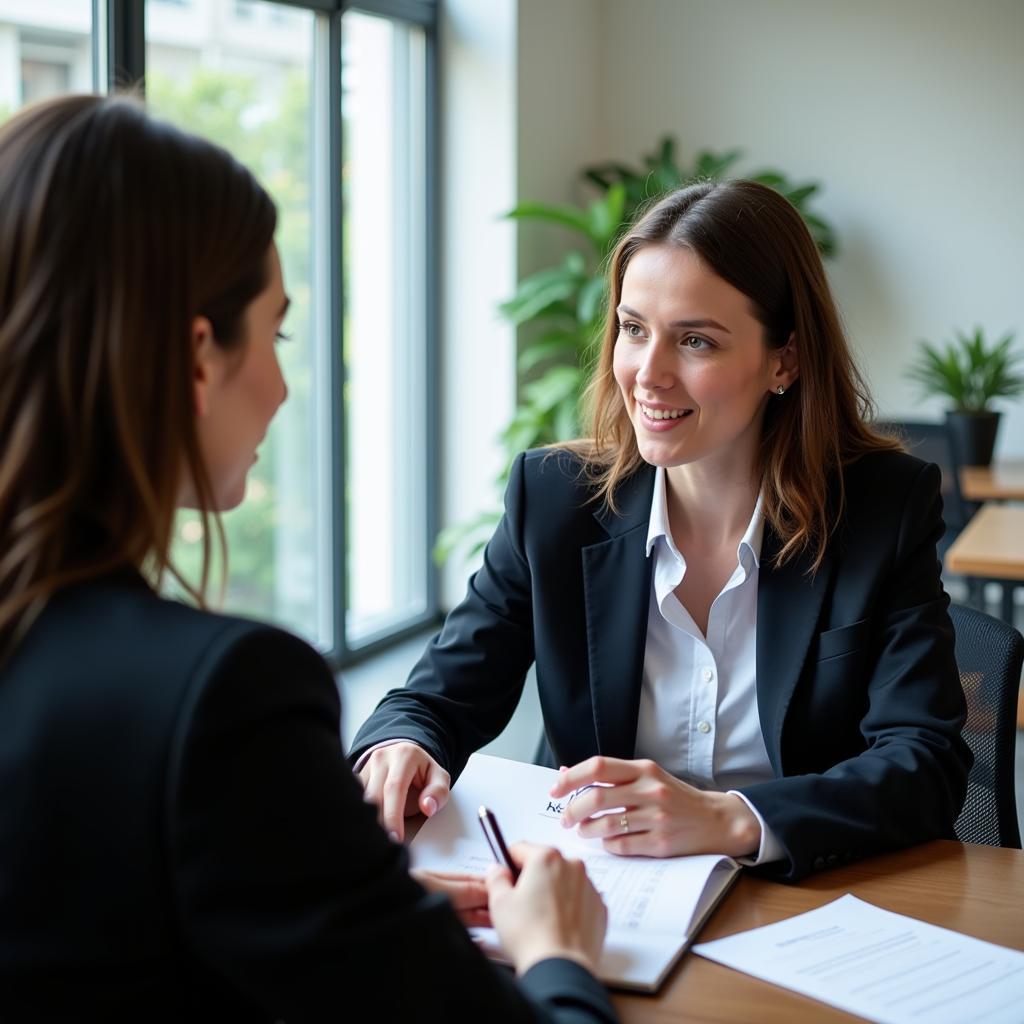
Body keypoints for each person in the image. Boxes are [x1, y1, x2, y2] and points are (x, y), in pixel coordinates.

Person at [0, 93, 617, 1023]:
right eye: (278, 330)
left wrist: (359, 909)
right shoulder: (219, 700)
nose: (287, 386)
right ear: (197, 357)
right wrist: (560, 955)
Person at [353, 179, 972, 882]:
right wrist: (400, 746)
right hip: (605, 894)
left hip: (800, 896)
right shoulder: (557, 502)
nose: (648, 374)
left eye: (696, 341)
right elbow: (435, 696)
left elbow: (924, 760)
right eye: (633, 328)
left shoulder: (881, 511)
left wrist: (732, 818)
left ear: (784, 361)